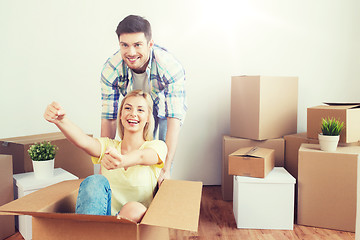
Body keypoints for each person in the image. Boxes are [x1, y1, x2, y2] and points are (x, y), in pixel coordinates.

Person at [44, 90, 167, 223]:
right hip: (101, 221)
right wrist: (61, 121)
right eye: (128, 108)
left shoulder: (157, 146)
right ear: (120, 115)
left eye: (140, 110)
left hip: (133, 229)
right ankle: (90, 233)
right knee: (94, 181)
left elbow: (143, 156)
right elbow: (84, 141)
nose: (133, 113)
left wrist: (123, 160)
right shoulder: (109, 146)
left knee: (134, 208)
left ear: (148, 117)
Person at [100, 15, 186, 185]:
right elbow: (108, 118)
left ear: (150, 44)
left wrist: (166, 169)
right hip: (134, 106)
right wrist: (104, 167)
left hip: (162, 111)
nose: (131, 52)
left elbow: (173, 122)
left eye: (137, 45)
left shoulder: (170, 67)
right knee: (131, 148)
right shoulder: (111, 69)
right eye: (125, 45)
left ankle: (158, 194)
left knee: (159, 156)